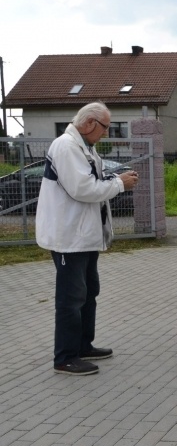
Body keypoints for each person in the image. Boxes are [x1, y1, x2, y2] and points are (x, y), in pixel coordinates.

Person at [37, 101, 140, 375]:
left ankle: (83, 345)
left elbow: (92, 178)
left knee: (88, 292)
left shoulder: (84, 147)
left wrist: (115, 177)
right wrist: (120, 184)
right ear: (90, 123)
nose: (106, 133)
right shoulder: (66, 146)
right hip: (68, 238)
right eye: (106, 127)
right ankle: (65, 357)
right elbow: (82, 188)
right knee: (71, 299)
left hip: (83, 237)